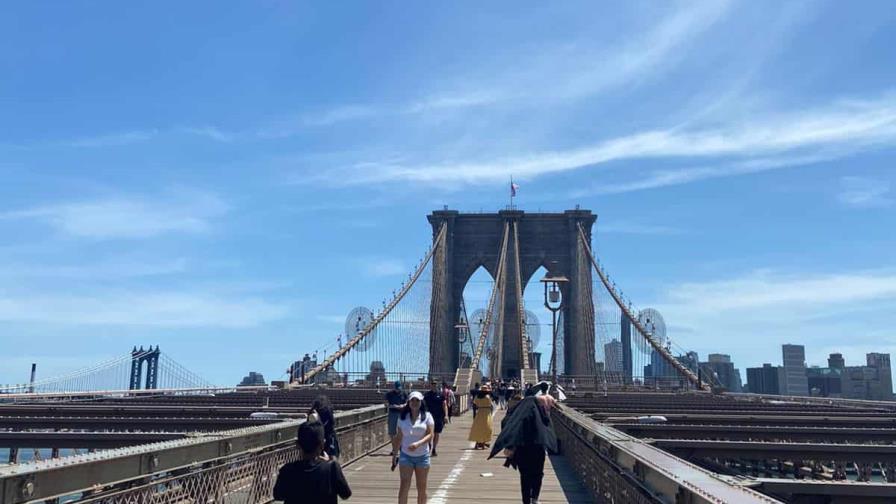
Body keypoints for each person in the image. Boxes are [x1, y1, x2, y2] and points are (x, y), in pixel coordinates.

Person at [488, 396, 558, 504]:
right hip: (537, 449)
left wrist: (510, 445)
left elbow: (505, 422)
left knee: (525, 476)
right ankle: (534, 498)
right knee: (538, 474)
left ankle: (526, 501)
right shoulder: (539, 413)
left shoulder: (518, 414)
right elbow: (547, 427)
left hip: (521, 449)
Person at [273, 420, 352, 504]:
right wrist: (330, 462)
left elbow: (278, 495)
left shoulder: (287, 470)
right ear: (322, 445)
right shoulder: (332, 468)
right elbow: (345, 494)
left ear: (298, 445)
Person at [392, 391, 434, 504]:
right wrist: (395, 454)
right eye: (412, 400)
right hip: (406, 456)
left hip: (422, 456)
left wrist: (418, 444)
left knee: (421, 487)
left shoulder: (428, 416)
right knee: (404, 486)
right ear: (408, 402)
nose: (414, 402)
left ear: (421, 402)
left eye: (417, 400)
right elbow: (399, 437)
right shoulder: (402, 417)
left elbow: (430, 435)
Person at [309, 396, 340, 461]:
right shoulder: (328, 410)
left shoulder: (314, 412)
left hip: (322, 438)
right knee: (332, 455)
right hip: (329, 437)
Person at [423, 380, 447, 456]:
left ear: (437, 385)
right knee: (429, 432)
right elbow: (423, 406)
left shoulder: (441, 395)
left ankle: (434, 448)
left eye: (435, 384)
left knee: (437, 433)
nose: (434, 385)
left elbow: (444, 405)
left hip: (439, 416)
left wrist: (446, 415)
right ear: (430, 385)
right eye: (432, 384)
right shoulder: (427, 395)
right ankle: (429, 444)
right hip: (429, 416)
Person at [384, 381, 407, 456]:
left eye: (399, 388)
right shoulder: (389, 394)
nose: (398, 390)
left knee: (403, 432)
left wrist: (403, 405)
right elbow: (386, 404)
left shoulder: (404, 393)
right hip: (393, 413)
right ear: (394, 387)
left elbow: (408, 403)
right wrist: (394, 406)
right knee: (392, 432)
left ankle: (401, 448)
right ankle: (394, 449)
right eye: (397, 388)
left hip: (402, 413)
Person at [468, 384, 494, 449]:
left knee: (478, 428)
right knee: (486, 428)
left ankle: (477, 443)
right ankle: (483, 443)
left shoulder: (477, 397)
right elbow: (490, 404)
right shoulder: (487, 397)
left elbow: (475, 403)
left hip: (479, 412)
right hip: (486, 413)